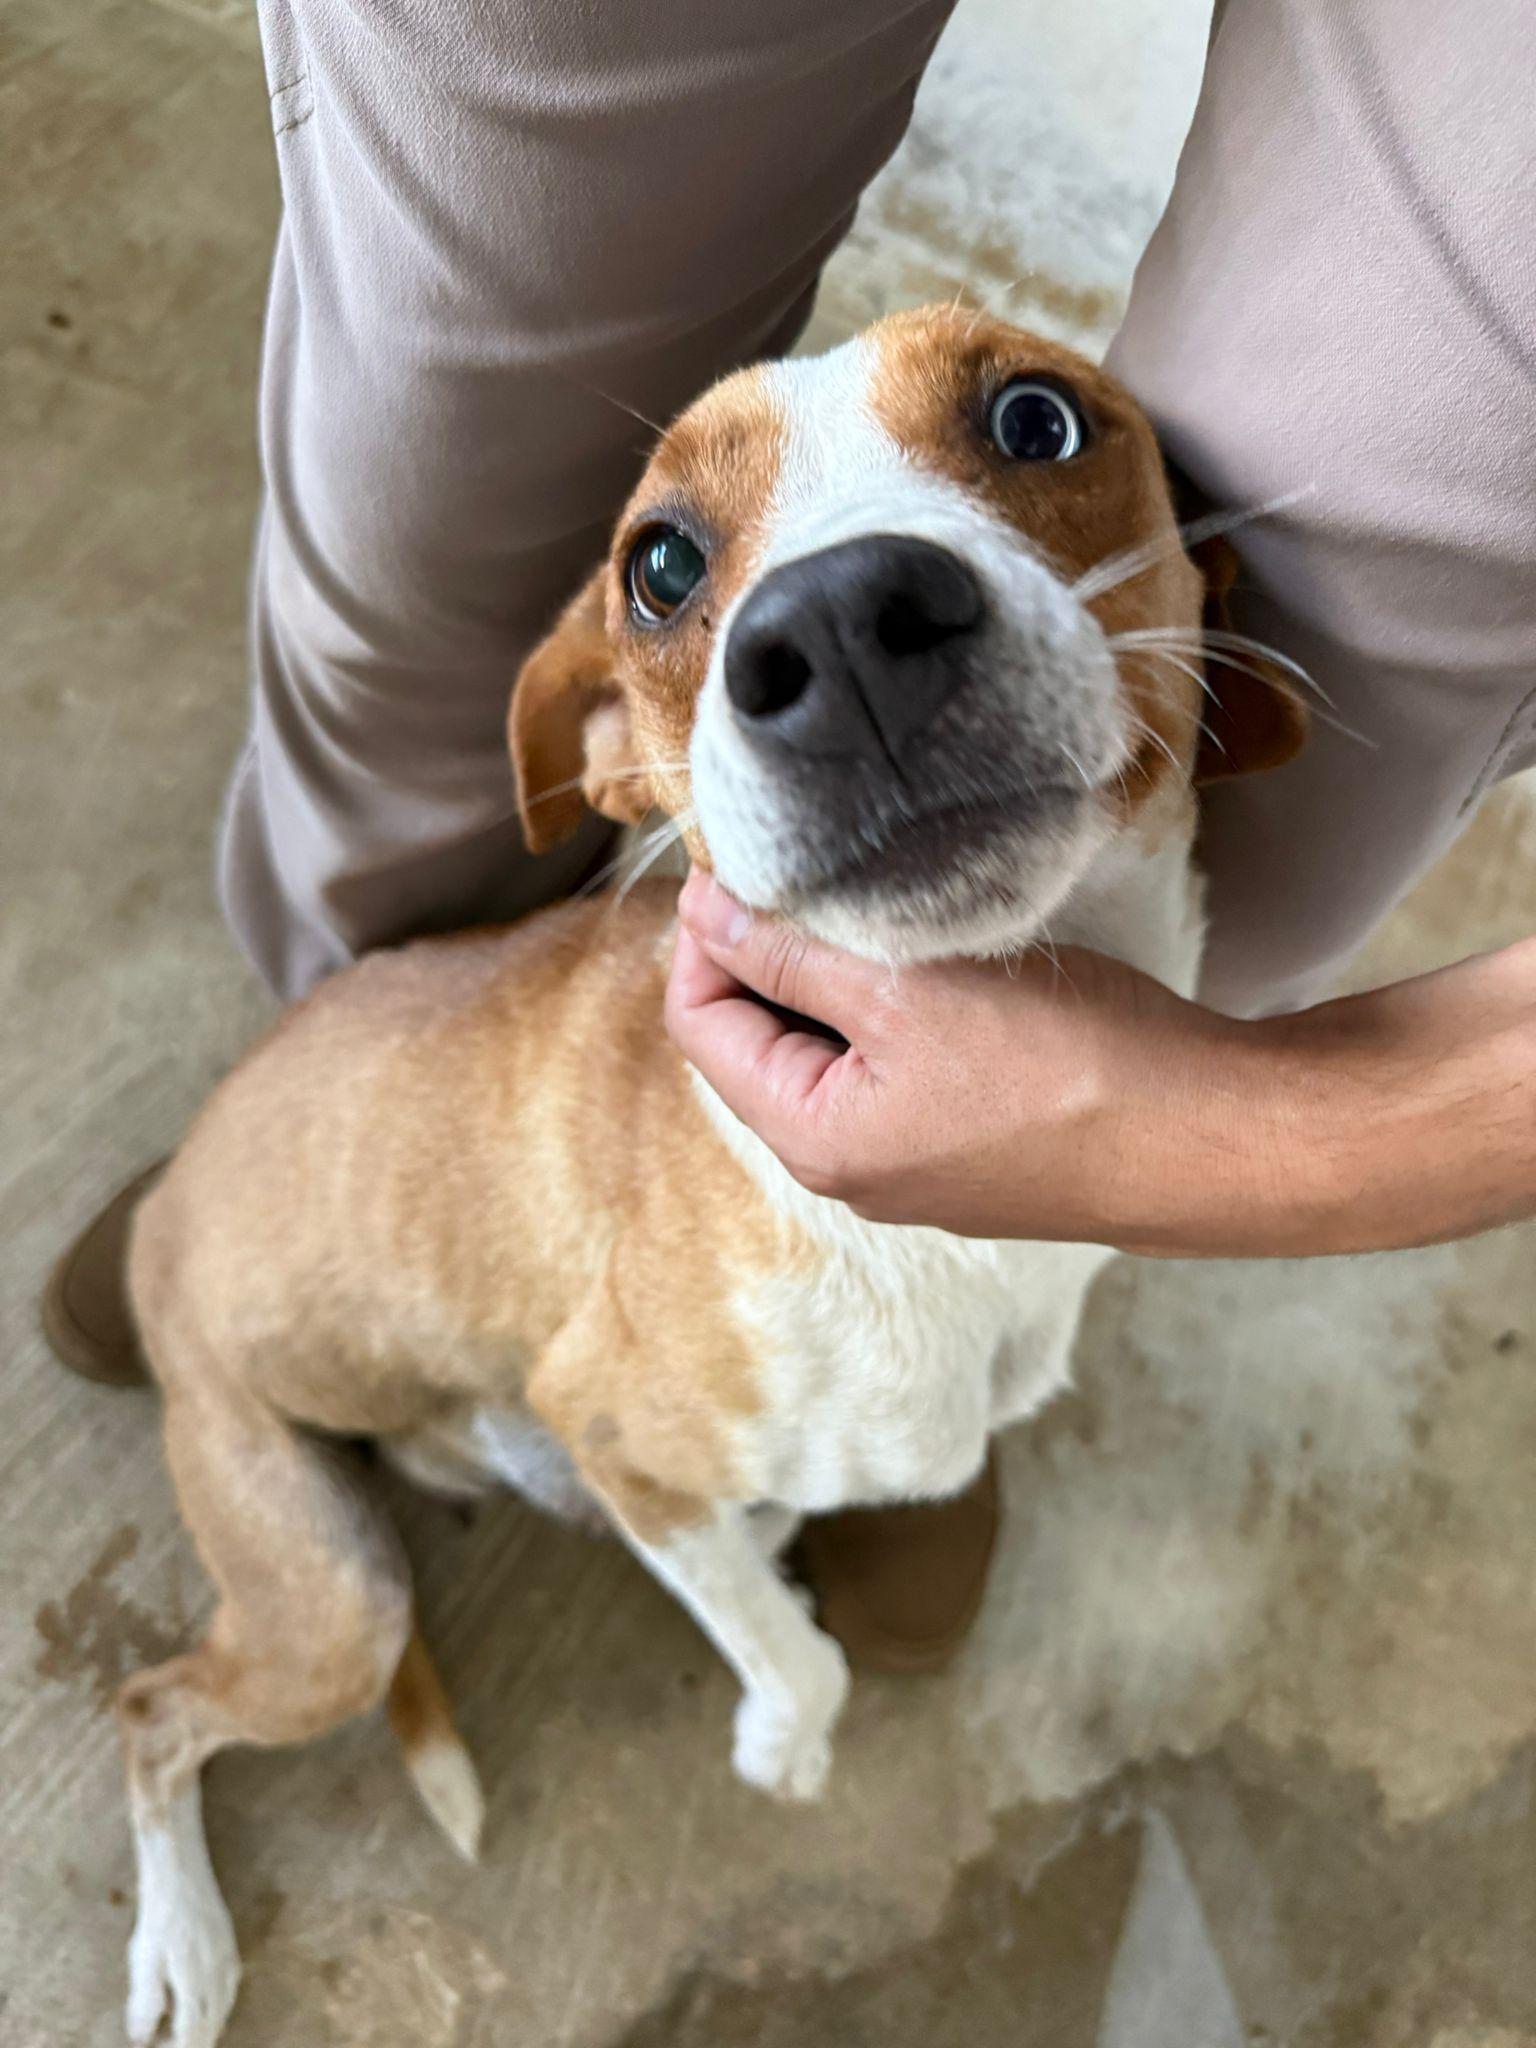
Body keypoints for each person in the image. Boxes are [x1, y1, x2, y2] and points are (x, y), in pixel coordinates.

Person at [43, 0, 1536, 1673]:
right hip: (512, 1153)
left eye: (1029, 429)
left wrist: (1295, 1137)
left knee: (1418, 452)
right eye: (675, 578)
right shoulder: (605, 723)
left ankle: (932, 1395)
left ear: (1201, 602)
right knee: (447, 450)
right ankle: (303, 1174)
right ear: (615, 741)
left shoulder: (1219, 641)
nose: (836, 629)